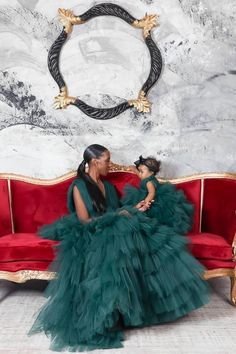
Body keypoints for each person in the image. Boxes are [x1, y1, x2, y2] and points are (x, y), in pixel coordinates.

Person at [28, 144, 209, 352]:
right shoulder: (79, 185)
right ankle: (108, 312)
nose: (110, 164)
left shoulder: (108, 187)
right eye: (107, 160)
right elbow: (85, 221)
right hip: (92, 232)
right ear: (95, 161)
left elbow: (117, 212)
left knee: (143, 235)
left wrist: (135, 208)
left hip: (113, 227)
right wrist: (118, 216)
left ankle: (139, 306)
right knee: (120, 241)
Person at [122, 155, 194, 234]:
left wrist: (146, 203)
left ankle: (148, 228)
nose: (140, 173)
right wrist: (135, 169)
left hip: (152, 200)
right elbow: (140, 176)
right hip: (146, 196)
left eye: (142, 171)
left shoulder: (149, 182)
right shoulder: (146, 177)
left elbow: (151, 192)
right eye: (140, 171)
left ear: (151, 172)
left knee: (147, 213)